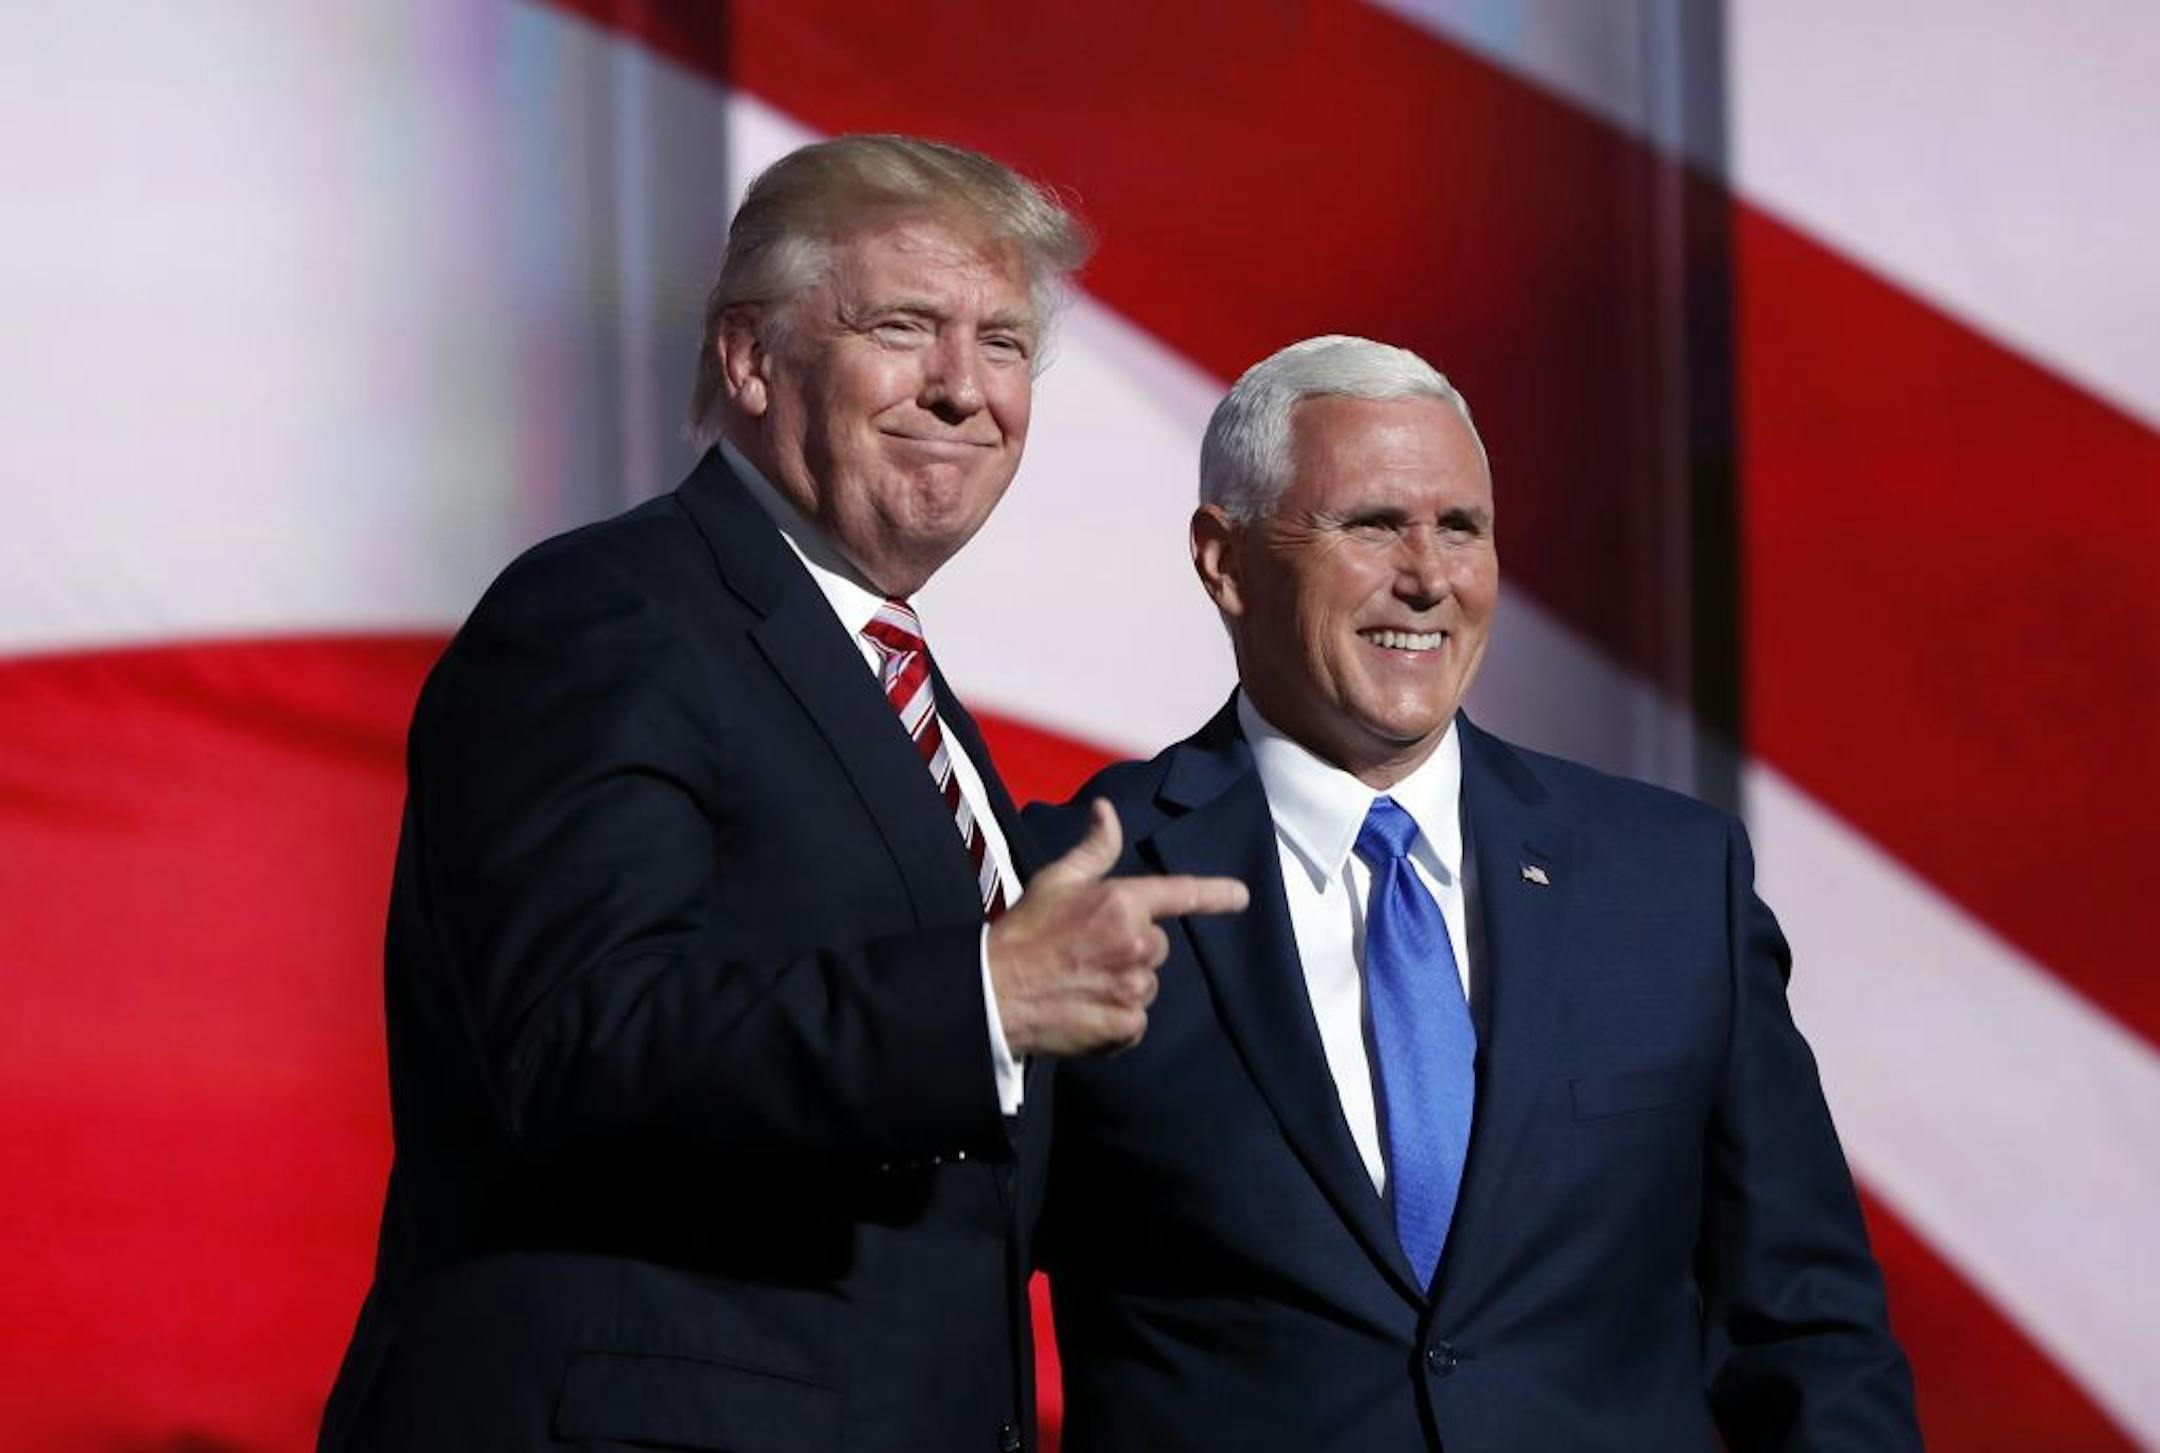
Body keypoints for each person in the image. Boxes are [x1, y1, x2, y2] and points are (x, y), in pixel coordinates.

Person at [317, 135, 1245, 1453]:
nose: (963, 386)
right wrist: (986, 995)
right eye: (904, 325)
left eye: (1001, 343)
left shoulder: (895, 691)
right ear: (750, 357)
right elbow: (581, 1037)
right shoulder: (611, 614)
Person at [1029, 336, 1920, 1451]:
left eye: (1462, 527)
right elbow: (944, 1322)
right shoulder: (1071, 881)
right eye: (1370, 524)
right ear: (1224, 558)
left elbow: (1807, 1332)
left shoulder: (1673, 881)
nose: (1429, 576)